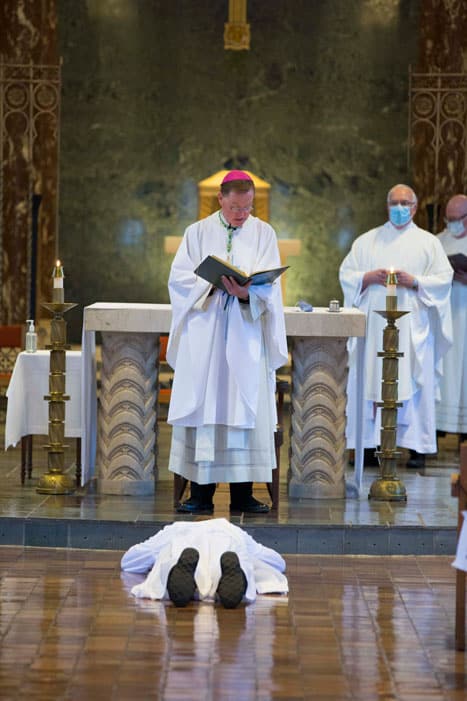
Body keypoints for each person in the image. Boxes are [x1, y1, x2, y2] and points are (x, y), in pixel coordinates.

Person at [166, 170, 288, 514]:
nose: (241, 215)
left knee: (243, 408)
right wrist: (210, 285)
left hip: (245, 335)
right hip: (205, 334)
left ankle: (243, 495)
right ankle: (201, 495)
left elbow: (270, 285)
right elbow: (178, 280)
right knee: (206, 407)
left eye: (247, 208)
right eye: (235, 207)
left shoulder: (264, 233)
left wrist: (249, 293)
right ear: (221, 199)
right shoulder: (197, 232)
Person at [339, 184, 453, 470]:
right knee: (371, 378)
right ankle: (366, 446)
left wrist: (415, 281)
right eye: (394, 202)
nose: (399, 207)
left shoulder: (429, 243)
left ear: (414, 207)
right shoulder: (368, 241)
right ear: (387, 205)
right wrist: (367, 277)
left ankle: (415, 445)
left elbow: (443, 279)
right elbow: (347, 273)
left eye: (405, 203)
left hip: (413, 326)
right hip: (374, 325)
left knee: (413, 381)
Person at [120, 518, 289, 608]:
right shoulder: (232, 529)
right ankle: (238, 578)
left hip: (184, 541)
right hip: (225, 543)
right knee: (244, 560)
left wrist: (150, 563)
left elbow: (130, 561)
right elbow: (276, 562)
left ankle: (175, 578)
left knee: (169, 558)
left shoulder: (175, 528)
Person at [436, 194, 467, 442]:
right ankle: (434, 433)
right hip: (444, 320)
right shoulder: (436, 243)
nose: (452, 224)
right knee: (443, 374)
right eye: (449, 219)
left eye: (457, 219)